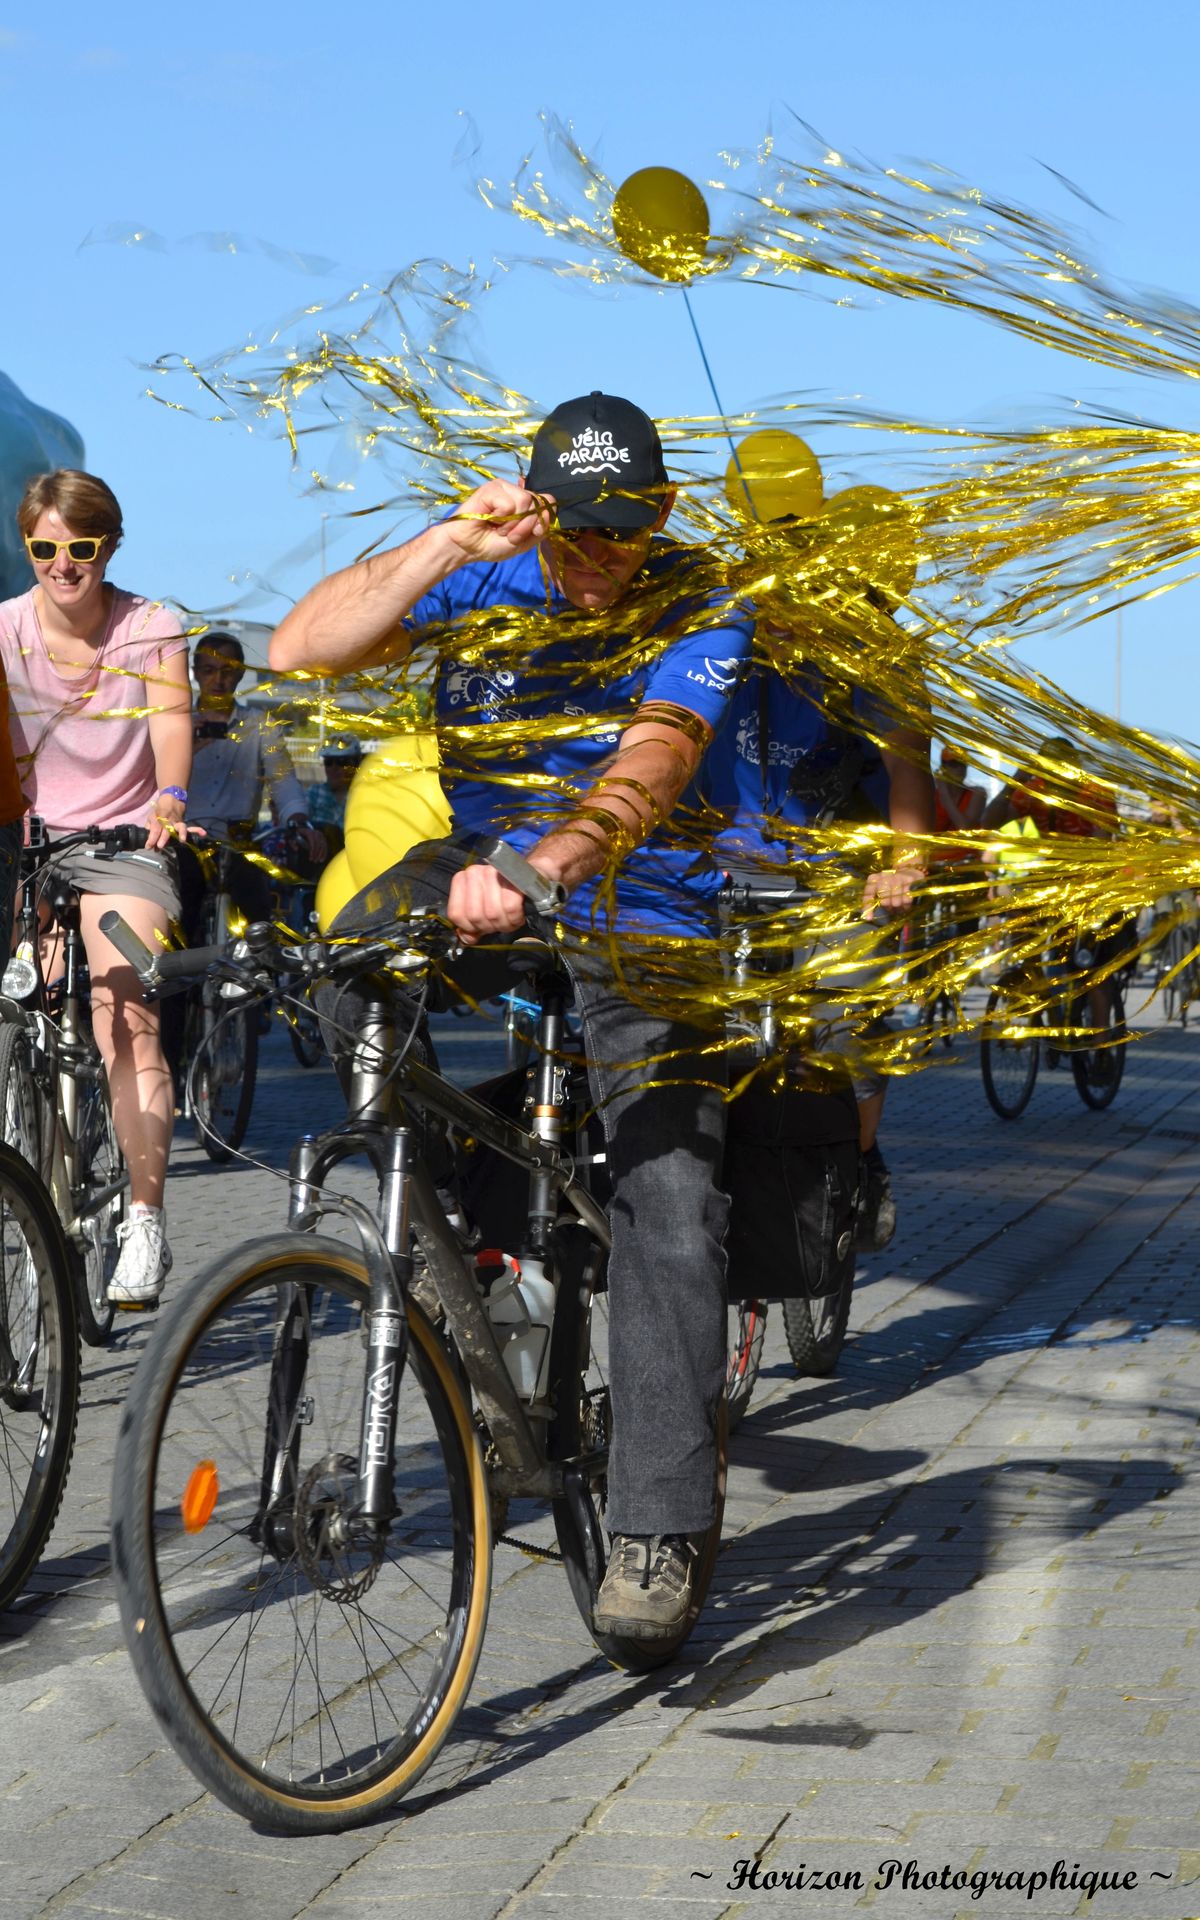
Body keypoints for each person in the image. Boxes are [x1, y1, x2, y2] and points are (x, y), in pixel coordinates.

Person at [269, 390, 753, 1643]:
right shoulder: (487, 569)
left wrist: (556, 858)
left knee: (672, 1201)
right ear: (534, 509)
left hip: (637, 899)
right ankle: (455, 1262)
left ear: (661, 515)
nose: (597, 561)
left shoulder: (699, 594)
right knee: (342, 969)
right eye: (573, 534)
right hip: (476, 869)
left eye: (622, 534)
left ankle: (656, 1524)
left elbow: (660, 752)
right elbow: (297, 650)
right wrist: (446, 542)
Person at [0, 468, 193, 1304]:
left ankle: (145, 1221)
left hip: (124, 845)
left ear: (108, 545)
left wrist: (171, 797)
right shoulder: (4, 630)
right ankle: (31, 1158)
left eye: (80, 548)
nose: (63, 565)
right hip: (36, 848)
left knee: (126, 1017)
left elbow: (172, 723)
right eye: (45, 548)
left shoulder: (151, 626)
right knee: (26, 1003)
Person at [698, 660, 934, 1253]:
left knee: (846, 1025)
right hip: (715, 869)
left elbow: (909, 768)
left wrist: (906, 864)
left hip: (839, 876)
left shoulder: (870, 657)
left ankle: (859, 1160)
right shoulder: (720, 640)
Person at [178, 632, 326, 936]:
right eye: (208, 670)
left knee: (260, 923)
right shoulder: (177, 723)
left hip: (239, 843)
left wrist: (299, 821)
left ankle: (261, 976)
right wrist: (186, 747)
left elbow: (282, 779)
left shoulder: (261, 725)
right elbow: (152, 776)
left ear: (240, 674)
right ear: (195, 673)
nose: (218, 680)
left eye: (227, 670)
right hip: (186, 842)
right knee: (177, 921)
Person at [305, 734, 365, 858]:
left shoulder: (364, 797)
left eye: (341, 762)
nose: (333, 768)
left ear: (355, 765)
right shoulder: (314, 793)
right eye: (328, 762)